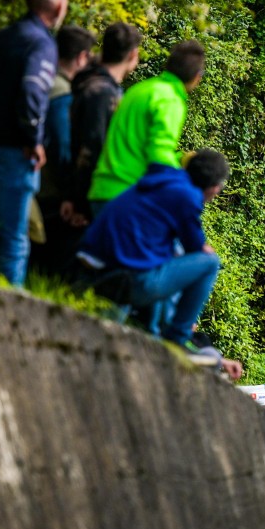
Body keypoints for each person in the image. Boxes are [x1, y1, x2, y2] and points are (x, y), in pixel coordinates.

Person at [76, 149, 242, 380]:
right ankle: (178, 338)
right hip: (127, 279)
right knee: (210, 264)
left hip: (94, 265)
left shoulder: (164, 179)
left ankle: (156, 331)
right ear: (214, 187)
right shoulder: (188, 197)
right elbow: (197, 248)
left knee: (168, 255)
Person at [0, 0, 68, 286]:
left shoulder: (2, 37)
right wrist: (33, 140)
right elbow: (32, 93)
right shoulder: (41, 44)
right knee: (13, 243)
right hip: (11, 154)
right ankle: (6, 310)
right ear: (59, 8)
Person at [87, 39, 205, 217]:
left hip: (102, 188)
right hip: (127, 194)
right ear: (197, 76)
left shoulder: (141, 89)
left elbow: (138, 144)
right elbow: (158, 153)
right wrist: (187, 184)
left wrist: (178, 159)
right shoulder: (170, 99)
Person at [63, 22, 142, 225]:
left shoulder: (95, 84)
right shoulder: (102, 93)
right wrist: (80, 202)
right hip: (90, 197)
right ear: (133, 54)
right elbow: (92, 147)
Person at [32, 25, 96, 275]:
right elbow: (62, 146)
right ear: (81, 57)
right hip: (50, 189)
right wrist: (71, 191)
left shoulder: (40, 79)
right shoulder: (62, 92)